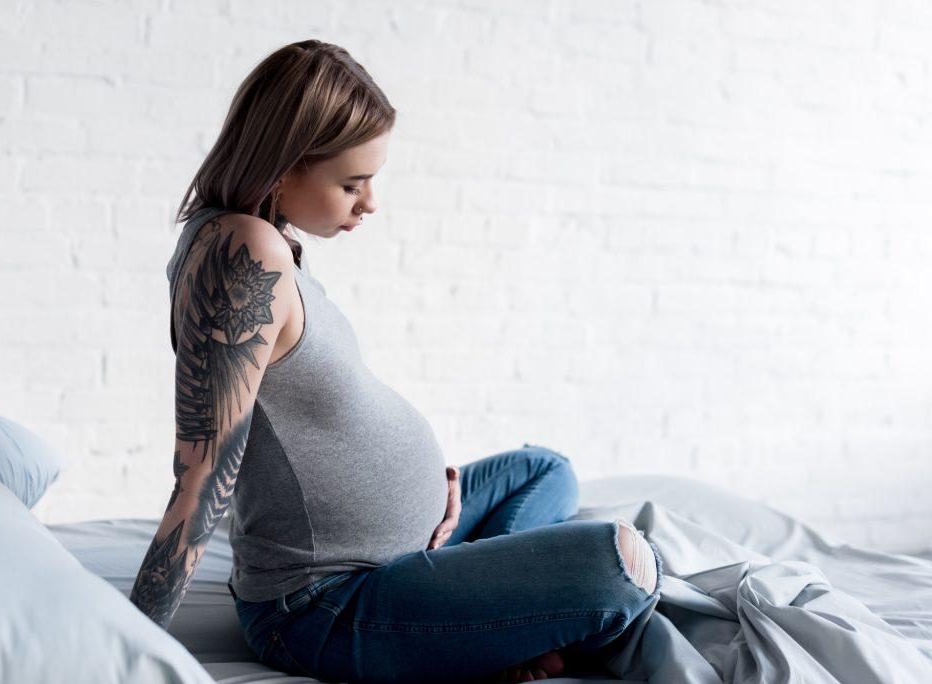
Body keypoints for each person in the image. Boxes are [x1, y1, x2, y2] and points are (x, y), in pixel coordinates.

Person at [129, 39, 662, 684]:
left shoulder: (261, 239)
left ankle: (474, 606)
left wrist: (413, 489)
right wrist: (125, 649)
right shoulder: (243, 253)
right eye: (352, 183)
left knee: (543, 470)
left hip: (406, 546)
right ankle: (482, 623)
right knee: (621, 564)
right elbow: (202, 476)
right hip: (326, 604)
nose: (370, 202)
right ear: (281, 166)